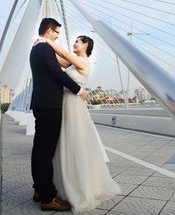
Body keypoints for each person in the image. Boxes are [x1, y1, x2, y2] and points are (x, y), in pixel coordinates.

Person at [38, 34, 121, 213]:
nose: (74, 43)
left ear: (86, 46)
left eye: (78, 41)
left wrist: (46, 40)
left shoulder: (83, 63)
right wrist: (42, 48)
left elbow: (63, 53)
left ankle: (79, 187)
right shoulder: (72, 63)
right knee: (63, 144)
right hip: (64, 104)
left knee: (75, 144)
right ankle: (64, 186)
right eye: (74, 41)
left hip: (74, 108)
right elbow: (56, 60)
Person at [30, 18, 88, 212]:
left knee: (39, 149)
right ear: (49, 29)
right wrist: (79, 90)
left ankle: (38, 189)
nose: (57, 36)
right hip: (49, 105)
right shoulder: (43, 48)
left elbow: (62, 62)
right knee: (46, 152)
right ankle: (48, 197)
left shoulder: (37, 48)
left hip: (41, 104)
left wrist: (46, 42)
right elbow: (58, 73)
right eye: (56, 33)